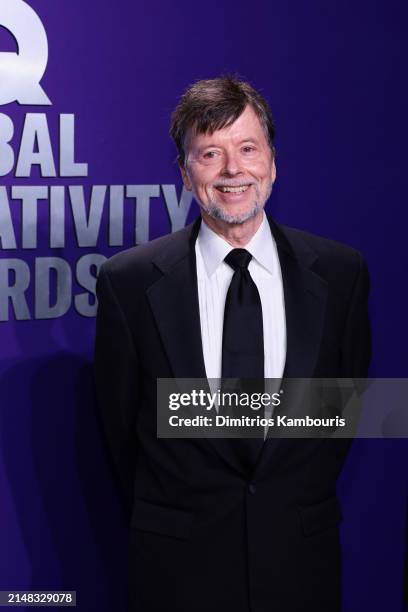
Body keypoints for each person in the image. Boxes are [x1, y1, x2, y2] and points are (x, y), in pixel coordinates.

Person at [94, 76, 371, 612]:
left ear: (272, 161)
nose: (232, 170)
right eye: (210, 153)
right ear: (184, 172)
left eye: (247, 148)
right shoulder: (128, 283)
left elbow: (344, 412)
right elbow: (120, 429)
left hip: (300, 564)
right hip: (176, 570)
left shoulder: (341, 274)